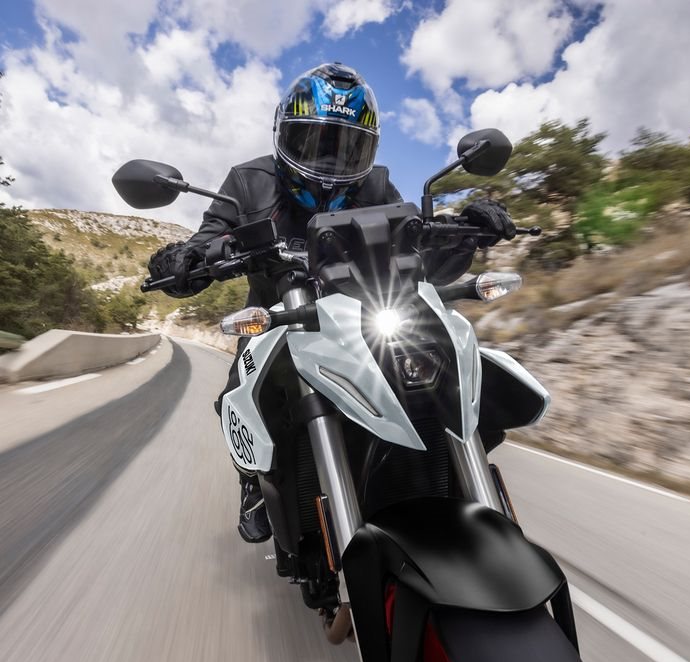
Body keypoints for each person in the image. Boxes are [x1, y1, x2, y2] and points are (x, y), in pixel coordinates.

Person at [147, 62, 516, 545]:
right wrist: (183, 258)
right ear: (284, 134)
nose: (331, 160)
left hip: (366, 316)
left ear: (370, 148)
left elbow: (416, 250)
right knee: (238, 394)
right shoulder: (248, 182)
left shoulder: (376, 185)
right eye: (315, 142)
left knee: (441, 360)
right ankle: (254, 482)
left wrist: (467, 231)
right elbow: (209, 237)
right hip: (282, 319)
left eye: (348, 147)